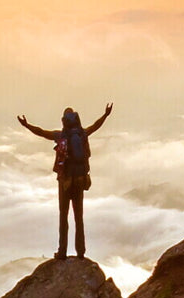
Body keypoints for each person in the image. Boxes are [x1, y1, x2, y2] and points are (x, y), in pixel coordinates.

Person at [17, 103, 113, 259]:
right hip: (80, 180)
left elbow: (41, 132)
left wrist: (26, 125)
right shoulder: (83, 134)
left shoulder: (61, 136)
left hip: (65, 182)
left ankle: (62, 252)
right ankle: (80, 252)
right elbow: (96, 126)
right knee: (78, 217)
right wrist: (106, 115)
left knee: (64, 215)